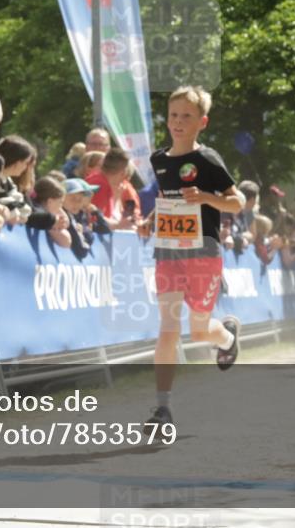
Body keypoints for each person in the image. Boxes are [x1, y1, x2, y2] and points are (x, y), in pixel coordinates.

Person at [137, 85, 243, 433]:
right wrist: (150, 220)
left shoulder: (208, 160)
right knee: (168, 329)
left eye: (186, 116)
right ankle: (162, 409)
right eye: (173, 116)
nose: (178, 122)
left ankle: (226, 338)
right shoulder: (159, 160)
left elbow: (237, 202)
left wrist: (207, 197)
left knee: (198, 331)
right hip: (168, 253)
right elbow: (169, 199)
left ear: (202, 122)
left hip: (203, 253)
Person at [86, 147, 140, 229]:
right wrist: (120, 225)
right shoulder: (100, 185)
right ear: (123, 173)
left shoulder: (97, 180)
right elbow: (95, 221)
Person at [31, 176, 71, 248]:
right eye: (60, 202)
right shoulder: (44, 218)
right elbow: (66, 241)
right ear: (50, 201)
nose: (61, 207)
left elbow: (66, 222)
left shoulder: (37, 207)